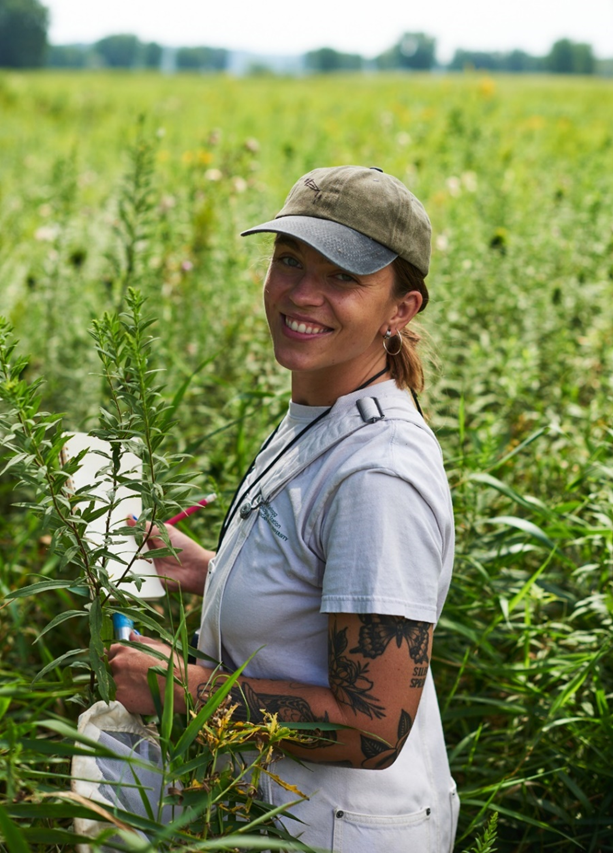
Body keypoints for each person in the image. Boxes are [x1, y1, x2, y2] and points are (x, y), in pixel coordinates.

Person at [108, 165, 459, 852]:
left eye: (342, 278)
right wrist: (216, 571)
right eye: (289, 260)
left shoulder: (380, 473)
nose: (301, 293)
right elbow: (321, 595)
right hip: (279, 814)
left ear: (400, 309)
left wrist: (183, 691)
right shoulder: (321, 408)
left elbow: (371, 726)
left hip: (341, 833)